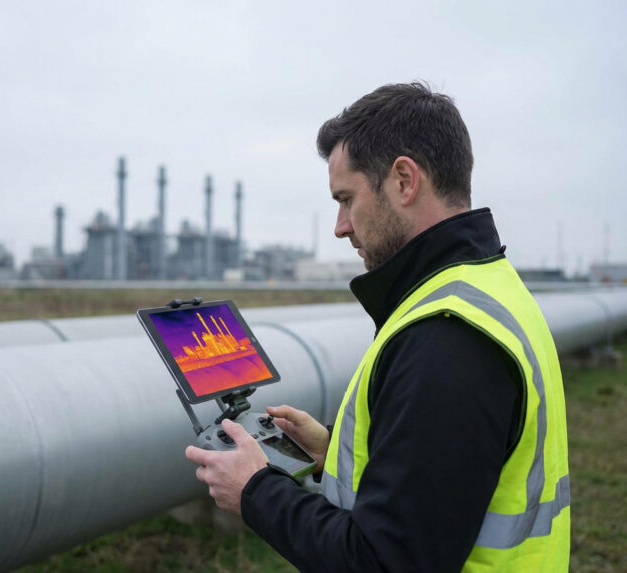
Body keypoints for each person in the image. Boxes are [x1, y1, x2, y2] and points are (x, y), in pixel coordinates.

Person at [185, 83, 570, 572]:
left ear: (404, 181)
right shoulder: (489, 287)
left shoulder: (446, 338)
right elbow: (447, 479)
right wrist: (332, 453)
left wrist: (256, 492)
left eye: (347, 198)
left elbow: (387, 561)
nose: (340, 226)